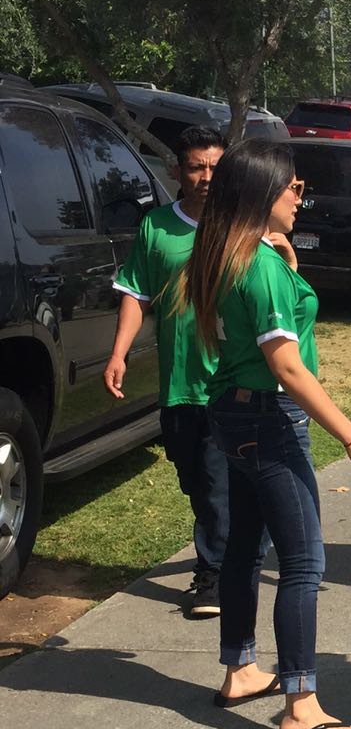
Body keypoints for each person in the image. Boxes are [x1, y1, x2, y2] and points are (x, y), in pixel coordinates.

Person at [178, 139, 351, 729]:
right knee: (302, 561)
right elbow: (288, 367)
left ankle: (241, 669)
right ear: (263, 193)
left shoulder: (237, 253)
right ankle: (301, 703)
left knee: (243, 547)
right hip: (268, 418)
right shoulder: (259, 265)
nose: (300, 195)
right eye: (292, 186)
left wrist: (288, 266)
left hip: (234, 414)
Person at [105, 125, 232, 619]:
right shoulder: (156, 227)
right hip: (177, 382)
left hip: (227, 378)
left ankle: (213, 576)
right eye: (197, 167)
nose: (205, 177)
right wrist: (118, 354)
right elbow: (135, 295)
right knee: (194, 476)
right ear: (176, 172)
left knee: (215, 477)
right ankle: (238, 544)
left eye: (215, 168)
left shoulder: (240, 224)